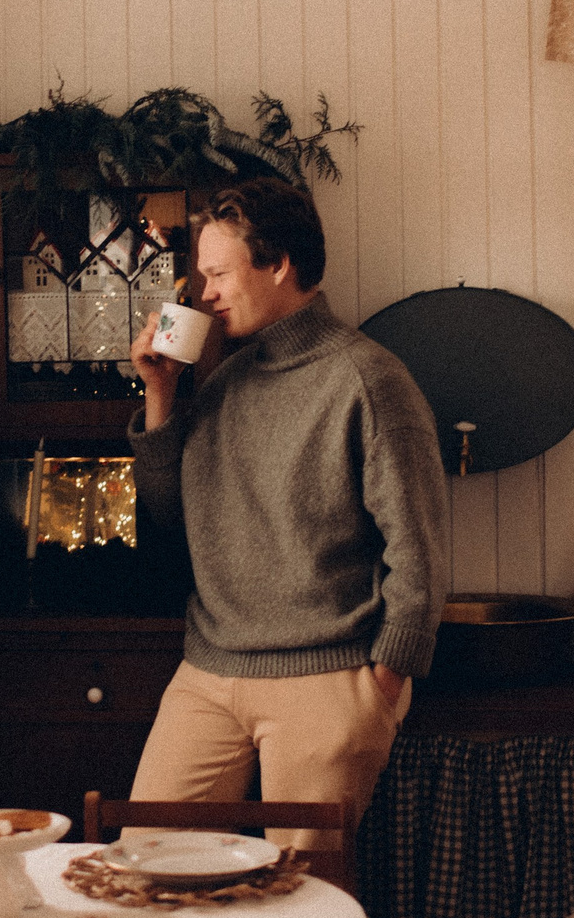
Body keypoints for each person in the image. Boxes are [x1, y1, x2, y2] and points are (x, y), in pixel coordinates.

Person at [126, 179, 450, 849]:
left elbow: (418, 549)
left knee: (302, 897)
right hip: (209, 672)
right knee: (146, 864)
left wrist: (385, 678)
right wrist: (160, 394)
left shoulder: (367, 379)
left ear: (278, 264)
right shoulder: (223, 385)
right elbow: (169, 517)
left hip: (328, 678)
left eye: (218, 273)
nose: (205, 294)